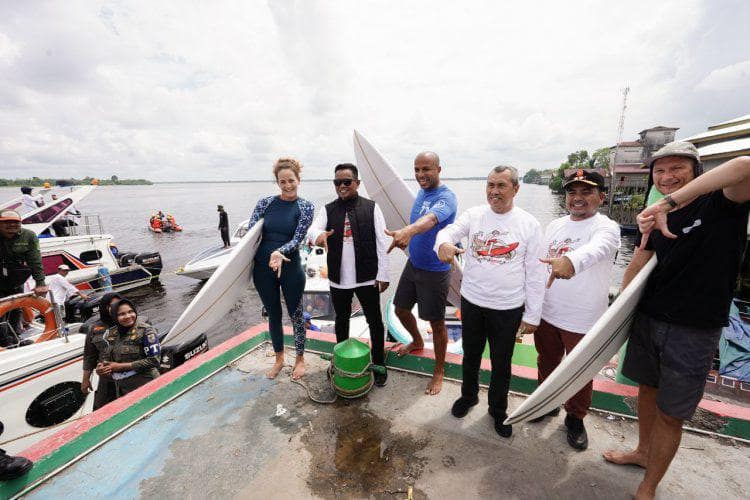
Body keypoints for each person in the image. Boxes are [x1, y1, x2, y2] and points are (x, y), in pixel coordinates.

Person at [603, 142, 750, 500]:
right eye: (660, 171)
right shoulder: (651, 216)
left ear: (696, 171)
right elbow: (640, 259)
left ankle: (649, 486)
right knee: (647, 392)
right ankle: (641, 452)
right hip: (649, 317)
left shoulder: (722, 202)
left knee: (672, 413)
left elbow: (745, 165)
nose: (667, 177)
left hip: (694, 327)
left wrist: (667, 202)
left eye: (677, 168)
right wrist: (616, 315)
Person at [435, 165, 545, 437]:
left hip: (508, 308)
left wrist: (532, 315)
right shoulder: (474, 215)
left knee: (501, 362)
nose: (494, 191)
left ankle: (498, 410)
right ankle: (468, 396)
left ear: (516, 189)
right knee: (470, 355)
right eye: (490, 185)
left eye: (501, 186)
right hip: (472, 302)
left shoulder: (529, 224)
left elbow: (535, 273)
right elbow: (448, 232)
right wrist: (443, 245)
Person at [531, 170, 620, 450]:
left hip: (582, 317)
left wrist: (571, 261)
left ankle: (575, 417)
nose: (577, 198)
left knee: (580, 372)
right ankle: (548, 403)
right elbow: (538, 263)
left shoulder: (606, 227)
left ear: (601, 197)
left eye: (586, 192)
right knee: (546, 361)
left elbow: (598, 249)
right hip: (548, 311)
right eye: (572, 192)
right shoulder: (555, 225)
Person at [307, 163, 390, 386]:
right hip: (339, 278)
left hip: (367, 276)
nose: (341, 186)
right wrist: (319, 236)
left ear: (357, 183)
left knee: (375, 322)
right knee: (341, 321)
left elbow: (382, 243)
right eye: (337, 182)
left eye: (346, 182)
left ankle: (379, 364)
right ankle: (340, 361)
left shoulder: (372, 207)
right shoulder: (328, 209)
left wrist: (383, 274)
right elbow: (313, 229)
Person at [386, 151, 457, 395]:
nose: (420, 175)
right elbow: (420, 226)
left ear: (439, 169)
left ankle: (439, 370)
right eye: (416, 169)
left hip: (435, 271)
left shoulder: (447, 197)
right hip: (414, 264)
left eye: (426, 169)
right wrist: (407, 240)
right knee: (400, 310)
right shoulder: (422, 192)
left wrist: (408, 231)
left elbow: (428, 221)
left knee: (436, 323)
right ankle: (416, 341)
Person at [247, 157, 314, 380]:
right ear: (277, 182)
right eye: (282, 181)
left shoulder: (305, 207)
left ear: (298, 179)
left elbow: (298, 238)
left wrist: (279, 252)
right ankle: (279, 359)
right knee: (273, 314)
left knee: (295, 314)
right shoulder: (265, 203)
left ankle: (300, 359)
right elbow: (251, 235)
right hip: (263, 268)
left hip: (290, 267)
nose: (287, 186)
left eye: (291, 181)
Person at [98, 299, 161, 397]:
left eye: (130, 312)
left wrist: (121, 367)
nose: (128, 316)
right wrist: (102, 369)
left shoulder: (145, 331)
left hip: (147, 384)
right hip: (122, 388)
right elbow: (107, 358)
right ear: (115, 316)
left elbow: (154, 360)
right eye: (122, 314)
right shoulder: (111, 334)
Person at [0, 210, 48, 334]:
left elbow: (35, 261)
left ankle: (15, 336)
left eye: (15, 222)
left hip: (16, 278)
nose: (11, 225)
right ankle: (3, 340)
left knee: (16, 308)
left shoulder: (29, 236)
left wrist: (40, 283)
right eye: (6, 222)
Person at [81, 292, 123, 409]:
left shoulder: (128, 321)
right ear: (104, 307)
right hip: (106, 378)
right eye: (111, 305)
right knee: (101, 408)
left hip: (128, 375)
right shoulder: (94, 328)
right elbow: (89, 355)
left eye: (118, 304)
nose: (115, 308)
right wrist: (85, 379)